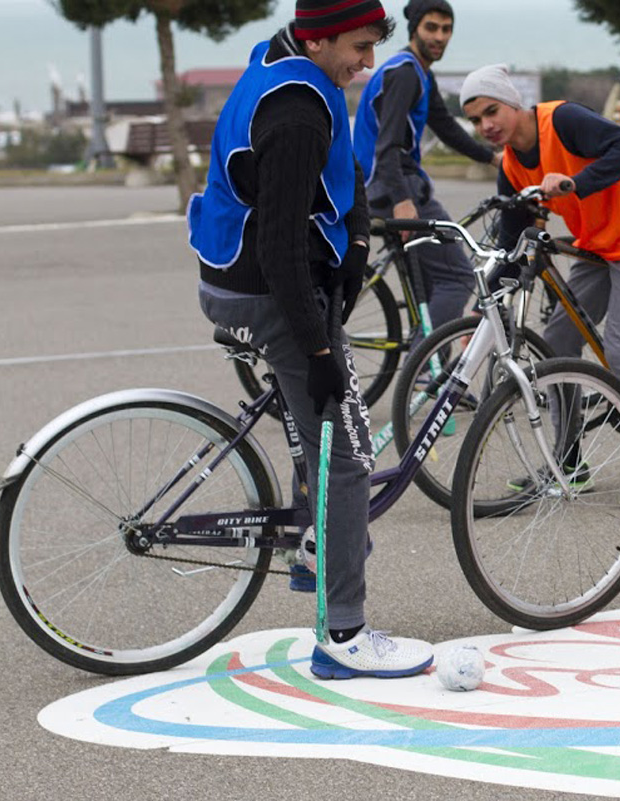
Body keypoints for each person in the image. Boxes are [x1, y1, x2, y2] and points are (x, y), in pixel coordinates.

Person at [188, 0, 433, 679]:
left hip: (241, 275)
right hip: (265, 287)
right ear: (320, 38)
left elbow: (342, 174)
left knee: (320, 430)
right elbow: (280, 249)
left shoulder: (283, 58)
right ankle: (343, 634)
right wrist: (321, 351)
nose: (368, 61)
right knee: (349, 453)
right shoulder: (294, 111)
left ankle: (312, 548)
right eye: (358, 45)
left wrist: (354, 246)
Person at [459, 63, 620, 507]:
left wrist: (574, 183)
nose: (485, 125)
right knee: (559, 337)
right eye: (474, 120)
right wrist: (483, 306)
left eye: (491, 111)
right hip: (598, 247)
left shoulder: (561, 121)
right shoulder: (512, 165)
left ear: (513, 103)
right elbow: (511, 244)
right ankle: (570, 460)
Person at [352, 0, 499, 331]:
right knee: (458, 276)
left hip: (386, 185)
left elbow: (446, 127)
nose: (440, 37)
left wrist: (492, 158)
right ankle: (423, 379)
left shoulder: (419, 72)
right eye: (431, 28)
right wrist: (403, 201)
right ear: (414, 29)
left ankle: (427, 368)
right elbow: (386, 145)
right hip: (393, 187)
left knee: (436, 284)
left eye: (446, 30)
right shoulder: (405, 74)